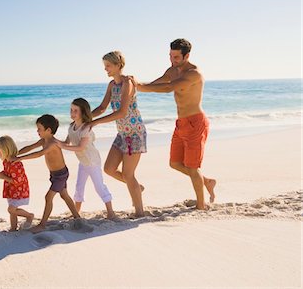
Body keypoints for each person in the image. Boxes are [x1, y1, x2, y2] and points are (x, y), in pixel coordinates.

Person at [129, 38, 216, 210]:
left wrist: (139, 86)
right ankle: (206, 181)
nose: (172, 60)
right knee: (175, 163)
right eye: (170, 56)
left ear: (187, 56)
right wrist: (136, 86)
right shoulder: (172, 70)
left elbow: (169, 87)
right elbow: (159, 82)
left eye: (176, 57)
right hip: (181, 123)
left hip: (196, 122)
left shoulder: (194, 74)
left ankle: (201, 206)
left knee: (193, 166)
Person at [90, 51, 147, 218]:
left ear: (118, 65)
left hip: (135, 134)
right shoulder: (111, 85)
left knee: (128, 174)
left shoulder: (128, 83)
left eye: (108, 66)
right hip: (122, 134)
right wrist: (84, 119)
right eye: (105, 66)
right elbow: (102, 108)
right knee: (109, 169)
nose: (105, 69)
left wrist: (96, 122)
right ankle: (137, 187)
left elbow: (122, 112)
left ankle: (139, 212)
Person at [14, 114, 80, 233]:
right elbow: (30, 147)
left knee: (48, 197)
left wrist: (20, 159)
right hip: (55, 174)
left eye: (39, 129)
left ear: (48, 130)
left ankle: (42, 225)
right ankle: (77, 217)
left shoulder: (52, 143)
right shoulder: (44, 140)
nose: (37, 131)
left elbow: (39, 153)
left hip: (60, 175)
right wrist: (16, 154)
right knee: (64, 195)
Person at [56, 98, 116, 219]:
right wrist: (53, 142)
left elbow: (80, 147)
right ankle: (76, 212)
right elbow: (66, 142)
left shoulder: (86, 128)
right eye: (71, 110)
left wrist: (62, 146)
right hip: (83, 162)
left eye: (75, 111)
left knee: (99, 187)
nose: (72, 113)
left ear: (83, 112)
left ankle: (111, 212)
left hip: (92, 161)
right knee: (79, 187)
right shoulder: (71, 127)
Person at [0, 135, 34, 231]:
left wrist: (3, 177)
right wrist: (2, 174)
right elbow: (9, 174)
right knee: (12, 211)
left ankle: (29, 216)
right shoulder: (6, 161)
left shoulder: (16, 164)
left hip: (19, 190)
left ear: (6, 150)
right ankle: (13, 228)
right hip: (11, 190)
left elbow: (17, 181)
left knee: (11, 209)